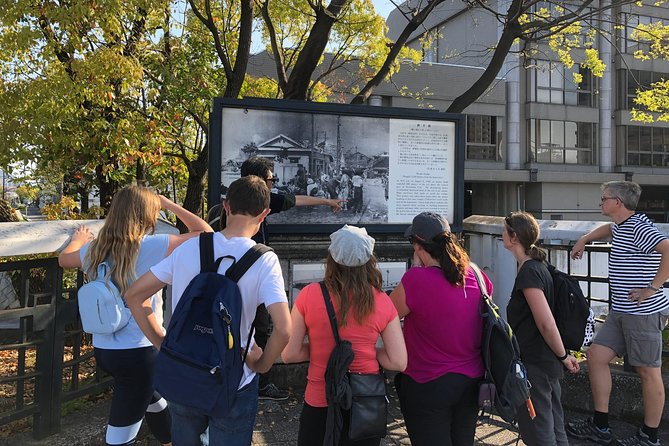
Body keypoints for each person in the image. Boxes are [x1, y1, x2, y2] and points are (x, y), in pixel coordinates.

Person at [125, 176, 291, 445]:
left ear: (226, 207)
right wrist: (260, 365)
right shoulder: (264, 260)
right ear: (265, 213)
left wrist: (162, 343)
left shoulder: (190, 247)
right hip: (234, 378)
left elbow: (134, 295)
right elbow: (284, 329)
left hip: (184, 368)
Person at [58, 186, 212, 446]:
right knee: (120, 435)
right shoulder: (153, 246)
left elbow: (63, 260)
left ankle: (169, 439)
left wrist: (80, 239)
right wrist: (169, 204)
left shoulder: (94, 250)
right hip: (139, 352)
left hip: (104, 348)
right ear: (146, 215)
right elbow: (206, 234)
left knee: (152, 394)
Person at [207, 156, 344, 401]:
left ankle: (223, 377)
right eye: (271, 179)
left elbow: (296, 200)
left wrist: (326, 200)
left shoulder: (219, 208)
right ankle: (256, 382)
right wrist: (328, 201)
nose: (273, 184)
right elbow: (284, 329)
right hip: (249, 284)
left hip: (217, 286)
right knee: (257, 330)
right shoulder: (260, 204)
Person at [281, 225, 407, 446]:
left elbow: (289, 354)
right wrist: (370, 351)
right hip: (364, 401)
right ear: (369, 260)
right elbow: (398, 361)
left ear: (332, 258)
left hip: (320, 399)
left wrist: (324, 350)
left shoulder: (309, 295)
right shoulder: (382, 301)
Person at [567, 181, 669, 446]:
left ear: (618, 203)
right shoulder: (622, 225)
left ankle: (650, 437)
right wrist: (585, 238)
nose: (601, 203)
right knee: (596, 355)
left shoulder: (640, 227)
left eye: (604, 199)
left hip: (643, 313)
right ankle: (601, 427)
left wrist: (651, 288)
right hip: (621, 311)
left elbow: (668, 249)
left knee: (648, 373)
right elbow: (609, 229)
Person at [388, 211, 490, 446]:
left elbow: (387, 314)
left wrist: (416, 269)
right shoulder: (476, 274)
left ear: (418, 245)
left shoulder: (416, 280)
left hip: (427, 382)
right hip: (472, 381)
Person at [502, 211, 579, 446]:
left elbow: (546, 323)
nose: (502, 235)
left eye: (505, 231)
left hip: (537, 363)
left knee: (539, 433)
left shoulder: (529, 272)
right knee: (555, 428)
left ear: (514, 237)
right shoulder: (538, 266)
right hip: (546, 363)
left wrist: (564, 356)